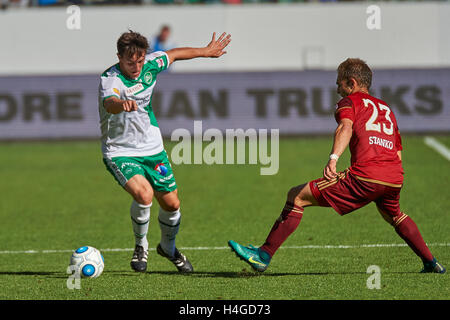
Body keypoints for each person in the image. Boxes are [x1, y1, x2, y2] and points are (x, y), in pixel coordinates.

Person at [228, 58, 446, 274]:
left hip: (366, 176)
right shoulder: (386, 108)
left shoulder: (350, 102)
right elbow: (397, 149)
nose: (336, 88)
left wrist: (333, 158)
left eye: (338, 83)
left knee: (297, 196)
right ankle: (431, 262)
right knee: (394, 215)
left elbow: (345, 127)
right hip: (394, 176)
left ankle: (263, 255)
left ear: (351, 83)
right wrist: (388, 175)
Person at [99, 30, 231, 273]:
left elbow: (174, 54)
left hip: (152, 147)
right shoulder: (111, 79)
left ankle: (168, 248)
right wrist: (121, 105)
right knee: (144, 194)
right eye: (130, 61)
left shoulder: (151, 63)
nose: (136, 66)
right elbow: (109, 102)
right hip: (120, 150)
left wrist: (205, 51)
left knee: (171, 203)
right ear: (119, 57)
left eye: (139, 60)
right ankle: (141, 246)